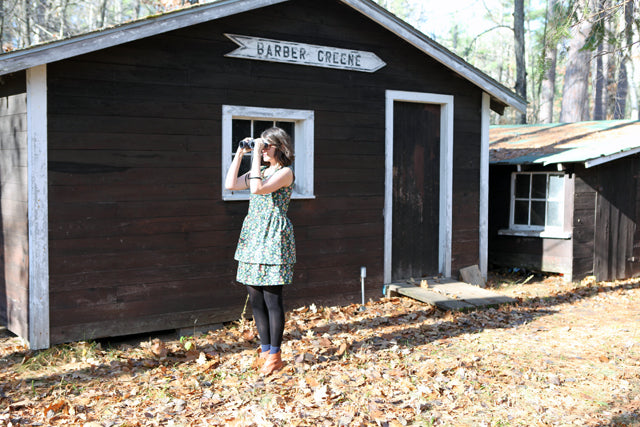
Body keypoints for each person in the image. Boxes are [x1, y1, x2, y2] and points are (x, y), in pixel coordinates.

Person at [224, 127, 296, 375]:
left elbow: (258, 189)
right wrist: (240, 153)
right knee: (254, 297)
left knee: (272, 298)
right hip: (254, 236)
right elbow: (231, 184)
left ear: (280, 147)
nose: (263, 150)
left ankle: (275, 355)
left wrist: (255, 154)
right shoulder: (261, 171)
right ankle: (265, 350)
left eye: (267, 146)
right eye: (261, 146)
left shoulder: (285, 173)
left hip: (274, 238)